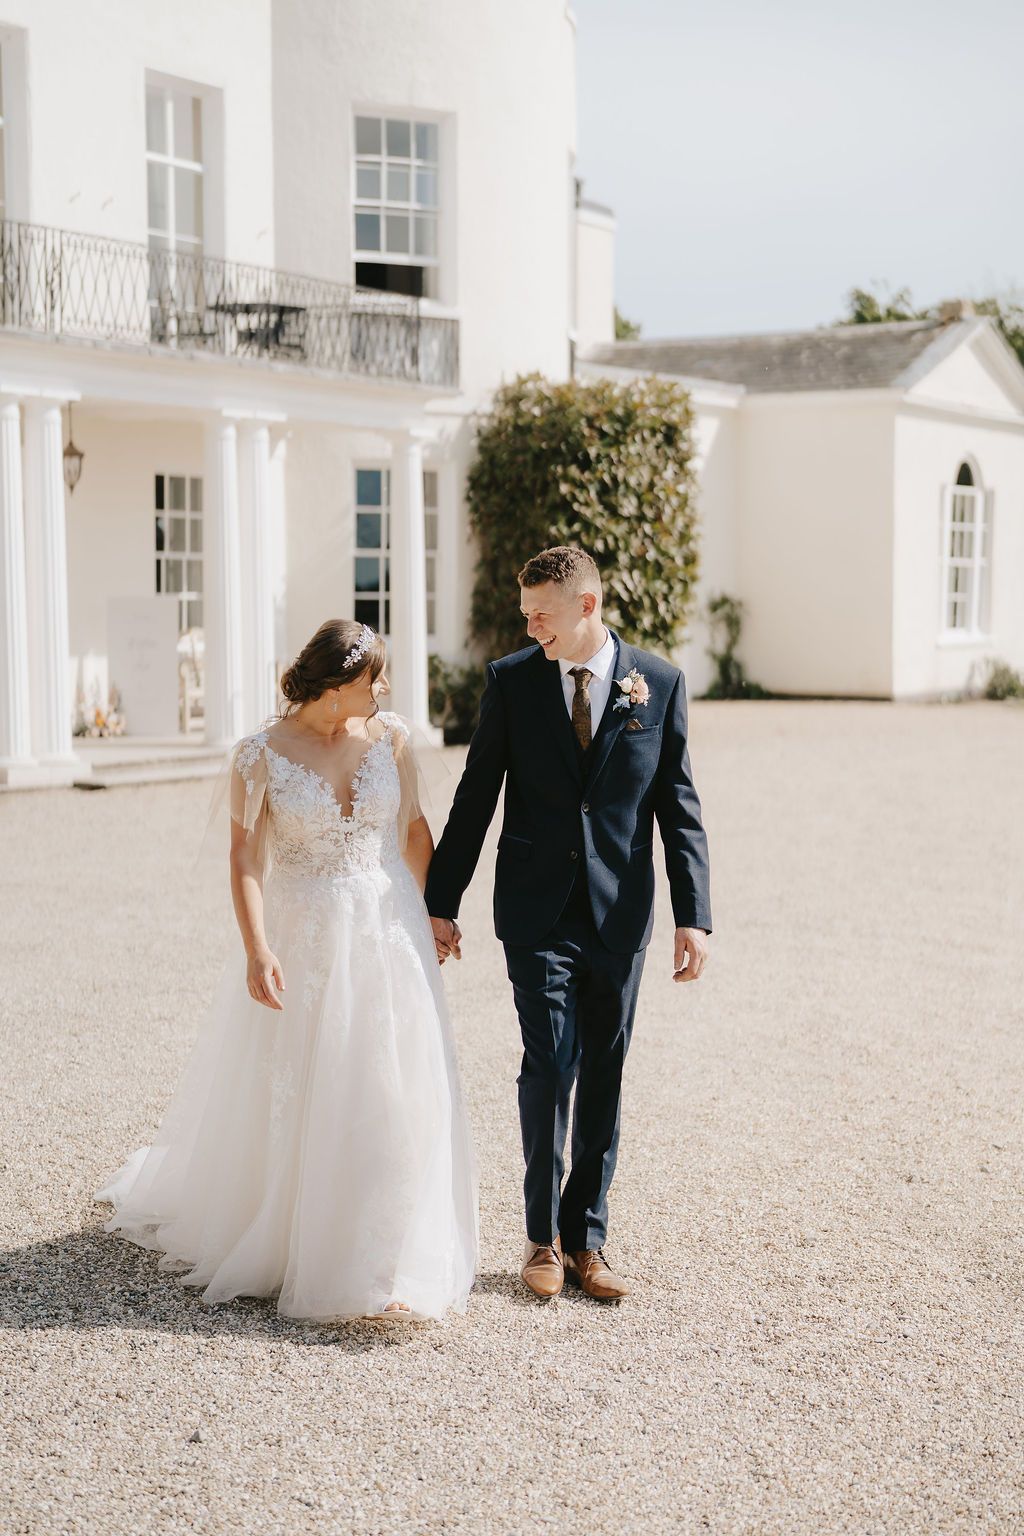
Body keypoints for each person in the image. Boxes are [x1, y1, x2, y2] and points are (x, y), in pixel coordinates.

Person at [96, 619, 478, 1323]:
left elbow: (417, 829)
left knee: (395, 1082)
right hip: (307, 934)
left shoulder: (390, 737)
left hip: (388, 927)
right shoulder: (258, 756)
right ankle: (298, 1234)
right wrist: (257, 946)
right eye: (374, 678)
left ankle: (383, 1254)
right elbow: (245, 859)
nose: (384, 689)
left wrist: (436, 912)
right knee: (315, 1081)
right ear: (336, 687)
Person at [426, 546, 710, 1304]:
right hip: (535, 909)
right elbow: (475, 795)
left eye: (540, 616)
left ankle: (590, 1239)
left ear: (586, 606)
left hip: (621, 912)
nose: (530, 628)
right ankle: (541, 1237)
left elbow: (678, 806)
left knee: (606, 1071)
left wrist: (695, 916)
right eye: (525, 616)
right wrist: (441, 900)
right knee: (550, 1064)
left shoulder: (661, 682)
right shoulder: (512, 682)